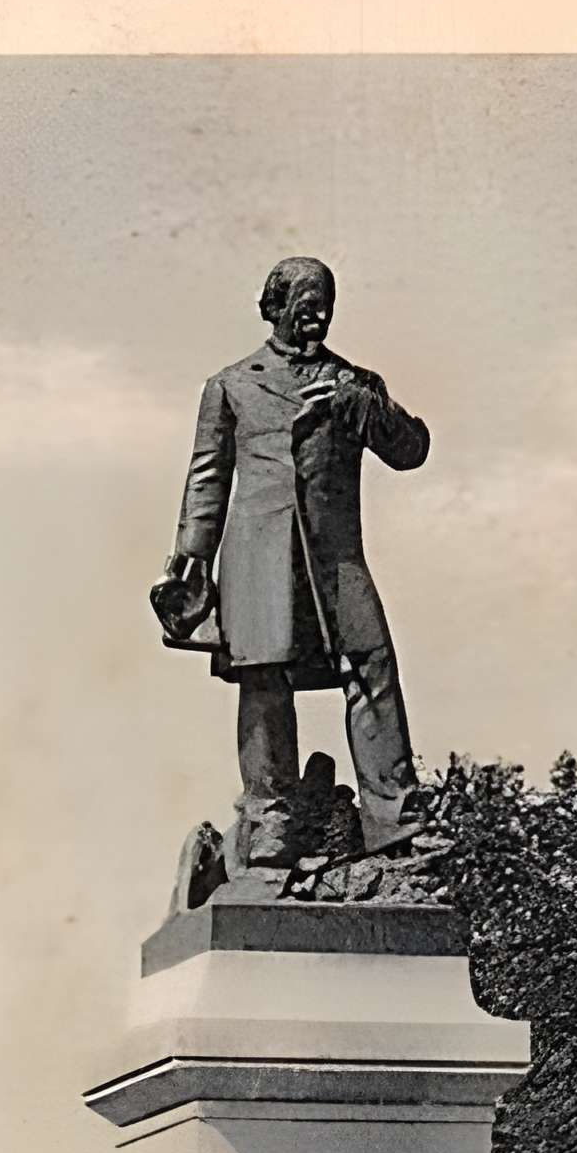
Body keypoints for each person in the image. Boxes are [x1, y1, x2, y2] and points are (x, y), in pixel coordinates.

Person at [159, 257, 433, 868]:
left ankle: (395, 818)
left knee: (372, 667)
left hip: (335, 559)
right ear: (273, 306)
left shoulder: (354, 381)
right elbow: (208, 478)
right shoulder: (231, 383)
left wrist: (364, 405)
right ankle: (270, 818)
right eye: (304, 301)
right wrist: (189, 560)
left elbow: (410, 451)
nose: (316, 313)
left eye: (326, 302)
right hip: (257, 555)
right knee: (263, 680)